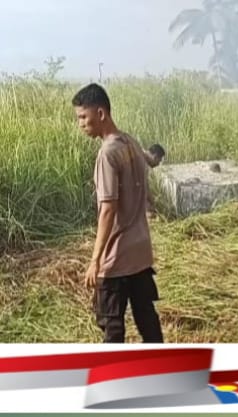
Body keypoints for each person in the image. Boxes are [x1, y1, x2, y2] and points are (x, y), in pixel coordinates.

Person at [72, 83, 164, 343]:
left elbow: (108, 210)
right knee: (147, 320)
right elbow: (150, 162)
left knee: (112, 327)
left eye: (83, 117)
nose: (80, 124)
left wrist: (95, 261)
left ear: (101, 113)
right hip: (141, 253)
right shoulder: (131, 142)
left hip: (117, 258)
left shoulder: (107, 154)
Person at [144, 144, 166, 217]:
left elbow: (145, 186)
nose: (158, 164)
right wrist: (150, 204)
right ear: (155, 157)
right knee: (150, 215)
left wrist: (151, 201)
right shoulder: (141, 164)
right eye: (159, 161)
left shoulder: (140, 153)